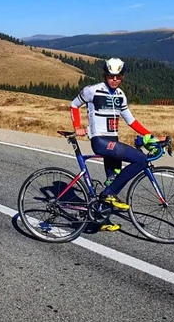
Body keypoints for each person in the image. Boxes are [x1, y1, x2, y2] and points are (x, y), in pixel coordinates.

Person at [70, 57, 162, 232]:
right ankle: (107, 195)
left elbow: (131, 121)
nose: (114, 80)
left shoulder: (120, 95)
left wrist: (151, 136)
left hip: (113, 141)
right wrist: (77, 127)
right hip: (100, 141)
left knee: (113, 180)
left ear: (123, 77)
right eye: (111, 76)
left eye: (118, 76)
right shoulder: (93, 91)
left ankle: (100, 220)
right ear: (105, 75)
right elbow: (73, 105)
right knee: (141, 160)